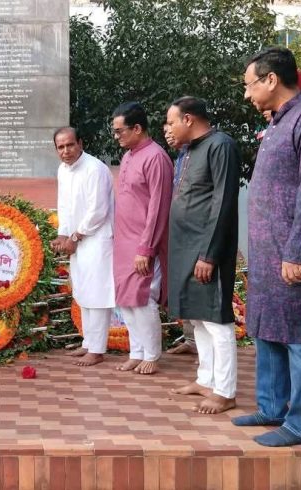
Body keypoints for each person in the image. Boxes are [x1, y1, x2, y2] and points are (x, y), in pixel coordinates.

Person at [235, 47, 301, 447]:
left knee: (298, 336)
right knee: (266, 330)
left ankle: (299, 425)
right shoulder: (278, 121)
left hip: (290, 253)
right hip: (266, 252)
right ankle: (271, 407)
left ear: (271, 80)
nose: (247, 94)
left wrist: (296, 252)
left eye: (250, 85)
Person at [165, 96, 240, 414]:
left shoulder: (220, 145)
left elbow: (223, 202)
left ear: (189, 119)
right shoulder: (188, 151)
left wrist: (209, 255)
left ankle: (225, 391)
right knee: (197, 318)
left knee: (215, 319)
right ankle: (206, 380)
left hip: (206, 249)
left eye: (171, 122)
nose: (168, 128)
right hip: (185, 247)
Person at [110, 103, 173, 375]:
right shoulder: (128, 156)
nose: (116, 136)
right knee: (126, 300)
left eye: (120, 131)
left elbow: (159, 208)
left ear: (137, 128)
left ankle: (152, 355)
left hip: (144, 245)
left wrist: (146, 248)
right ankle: (136, 352)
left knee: (143, 299)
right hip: (123, 243)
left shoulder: (156, 157)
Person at [49, 127, 115, 367]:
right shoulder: (63, 170)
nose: (65, 151)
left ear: (81, 143)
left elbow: (98, 211)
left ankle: (97, 350)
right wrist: (62, 234)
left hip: (97, 239)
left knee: (96, 294)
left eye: (70, 145)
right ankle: (88, 342)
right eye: (60, 147)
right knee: (82, 291)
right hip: (76, 240)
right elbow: (64, 206)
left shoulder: (95, 168)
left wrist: (75, 237)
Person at [162, 123, 196, 356]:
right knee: (184, 288)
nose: (168, 134)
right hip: (178, 233)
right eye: (165, 131)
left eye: (171, 128)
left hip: (195, 234)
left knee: (195, 288)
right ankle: (191, 339)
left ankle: (202, 347)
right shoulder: (181, 157)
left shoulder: (202, 153)